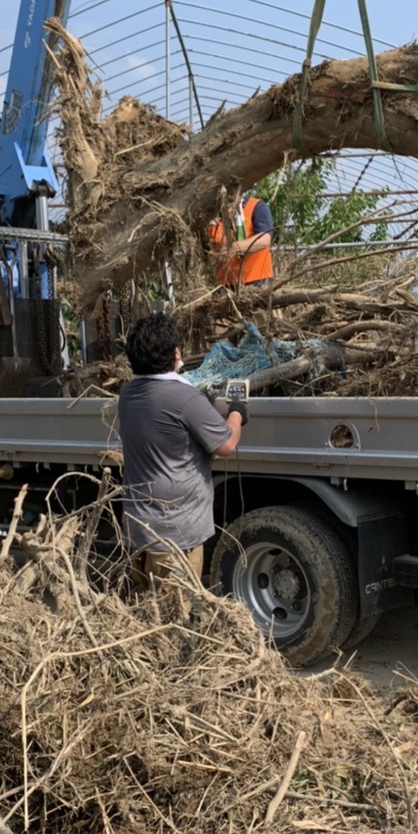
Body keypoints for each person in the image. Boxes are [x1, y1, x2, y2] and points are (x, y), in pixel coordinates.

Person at [117, 311, 245, 603]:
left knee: (145, 602)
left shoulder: (128, 393)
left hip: (141, 524)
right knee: (173, 611)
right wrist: (237, 413)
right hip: (175, 531)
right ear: (176, 354)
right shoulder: (183, 398)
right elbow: (225, 445)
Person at [208, 192, 274, 288]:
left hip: (257, 282)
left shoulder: (256, 207)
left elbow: (265, 239)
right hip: (224, 285)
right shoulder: (212, 217)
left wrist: (235, 248)